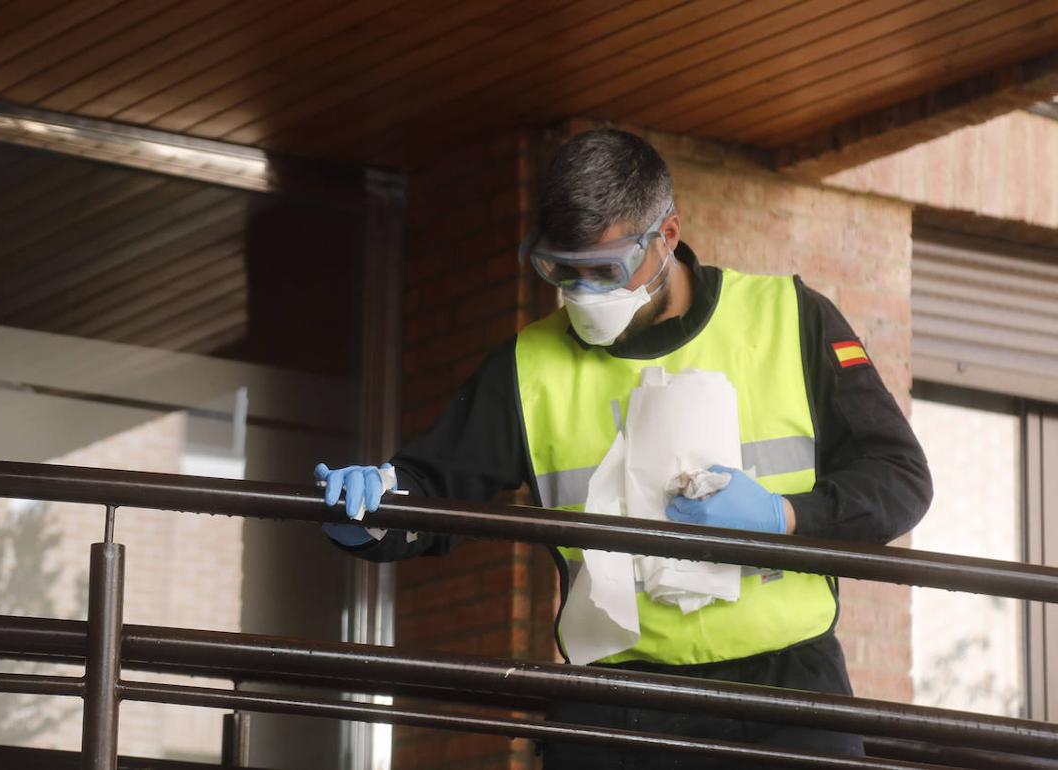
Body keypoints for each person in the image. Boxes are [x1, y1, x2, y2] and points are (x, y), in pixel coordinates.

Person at [314, 128, 932, 768]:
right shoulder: (529, 366)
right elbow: (433, 485)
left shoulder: (791, 319)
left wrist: (787, 517)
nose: (585, 295)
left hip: (789, 699)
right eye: (562, 271)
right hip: (615, 705)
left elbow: (900, 480)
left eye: (605, 270)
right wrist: (367, 515)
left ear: (666, 235)